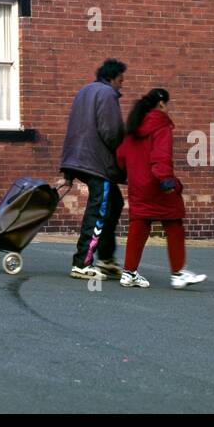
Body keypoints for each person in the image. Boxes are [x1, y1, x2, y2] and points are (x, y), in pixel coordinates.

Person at [115, 87, 206, 289]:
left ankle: (129, 273)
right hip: (158, 183)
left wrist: (130, 175)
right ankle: (178, 273)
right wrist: (166, 181)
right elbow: (161, 155)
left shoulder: (133, 127)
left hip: (138, 185)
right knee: (174, 224)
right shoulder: (161, 126)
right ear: (162, 103)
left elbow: (121, 157)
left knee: (139, 225)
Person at [59, 59, 128, 279]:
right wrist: (124, 157)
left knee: (113, 203)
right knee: (99, 209)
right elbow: (112, 132)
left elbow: (75, 127)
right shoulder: (107, 94)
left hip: (78, 158)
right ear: (111, 77)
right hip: (97, 163)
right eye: (120, 80)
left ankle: (106, 259)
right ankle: (82, 262)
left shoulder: (84, 92)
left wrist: (68, 172)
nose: (121, 86)